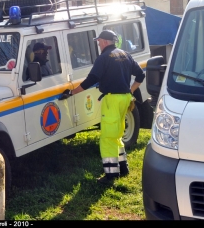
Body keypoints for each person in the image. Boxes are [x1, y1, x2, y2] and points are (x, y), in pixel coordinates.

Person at [61, 30, 145, 184]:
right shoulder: (125, 54)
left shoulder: (104, 58)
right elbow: (140, 75)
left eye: (99, 41)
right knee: (117, 133)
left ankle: (111, 175)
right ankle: (123, 167)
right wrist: (130, 91)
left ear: (105, 41)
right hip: (125, 98)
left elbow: (91, 79)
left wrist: (72, 93)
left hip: (111, 99)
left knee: (107, 137)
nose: (98, 44)